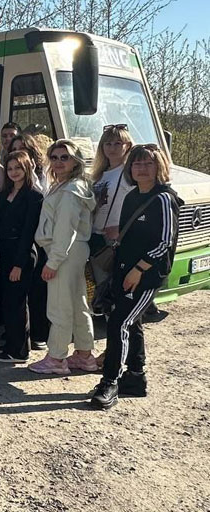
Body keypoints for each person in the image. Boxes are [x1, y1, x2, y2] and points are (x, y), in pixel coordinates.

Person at [90, 145, 181, 409]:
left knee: (119, 323)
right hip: (124, 271)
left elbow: (164, 242)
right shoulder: (132, 196)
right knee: (132, 323)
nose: (142, 169)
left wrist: (139, 269)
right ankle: (136, 376)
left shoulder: (164, 199)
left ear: (159, 167)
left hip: (145, 275)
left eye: (148, 164)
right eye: (137, 164)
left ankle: (110, 381)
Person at [29, 140, 97, 375]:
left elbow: (65, 229)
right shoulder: (68, 186)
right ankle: (84, 354)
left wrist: (53, 261)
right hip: (72, 251)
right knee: (78, 303)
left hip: (64, 251)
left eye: (64, 157)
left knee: (59, 306)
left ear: (75, 161)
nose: (58, 162)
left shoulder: (70, 190)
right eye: (54, 157)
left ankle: (57, 358)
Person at [0, 151, 43, 363]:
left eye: (18, 167)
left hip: (22, 253)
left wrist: (19, 264)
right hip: (4, 251)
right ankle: (12, 343)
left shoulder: (34, 196)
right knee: (8, 302)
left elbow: (28, 232)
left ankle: (19, 351)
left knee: (18, 302)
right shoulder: (5, 194)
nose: (14, 172)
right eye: (10, 168)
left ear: (27, 168)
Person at [90, 125, 135, 288]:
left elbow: (136, 204)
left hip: (114, 239)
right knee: (99, 286)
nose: (112, 148)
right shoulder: (100, 174)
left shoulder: (129, 173)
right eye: (108, 144)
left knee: (111, 286)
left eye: (118, 143)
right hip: (96, 236)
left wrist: (120, 227)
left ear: (127, 146)